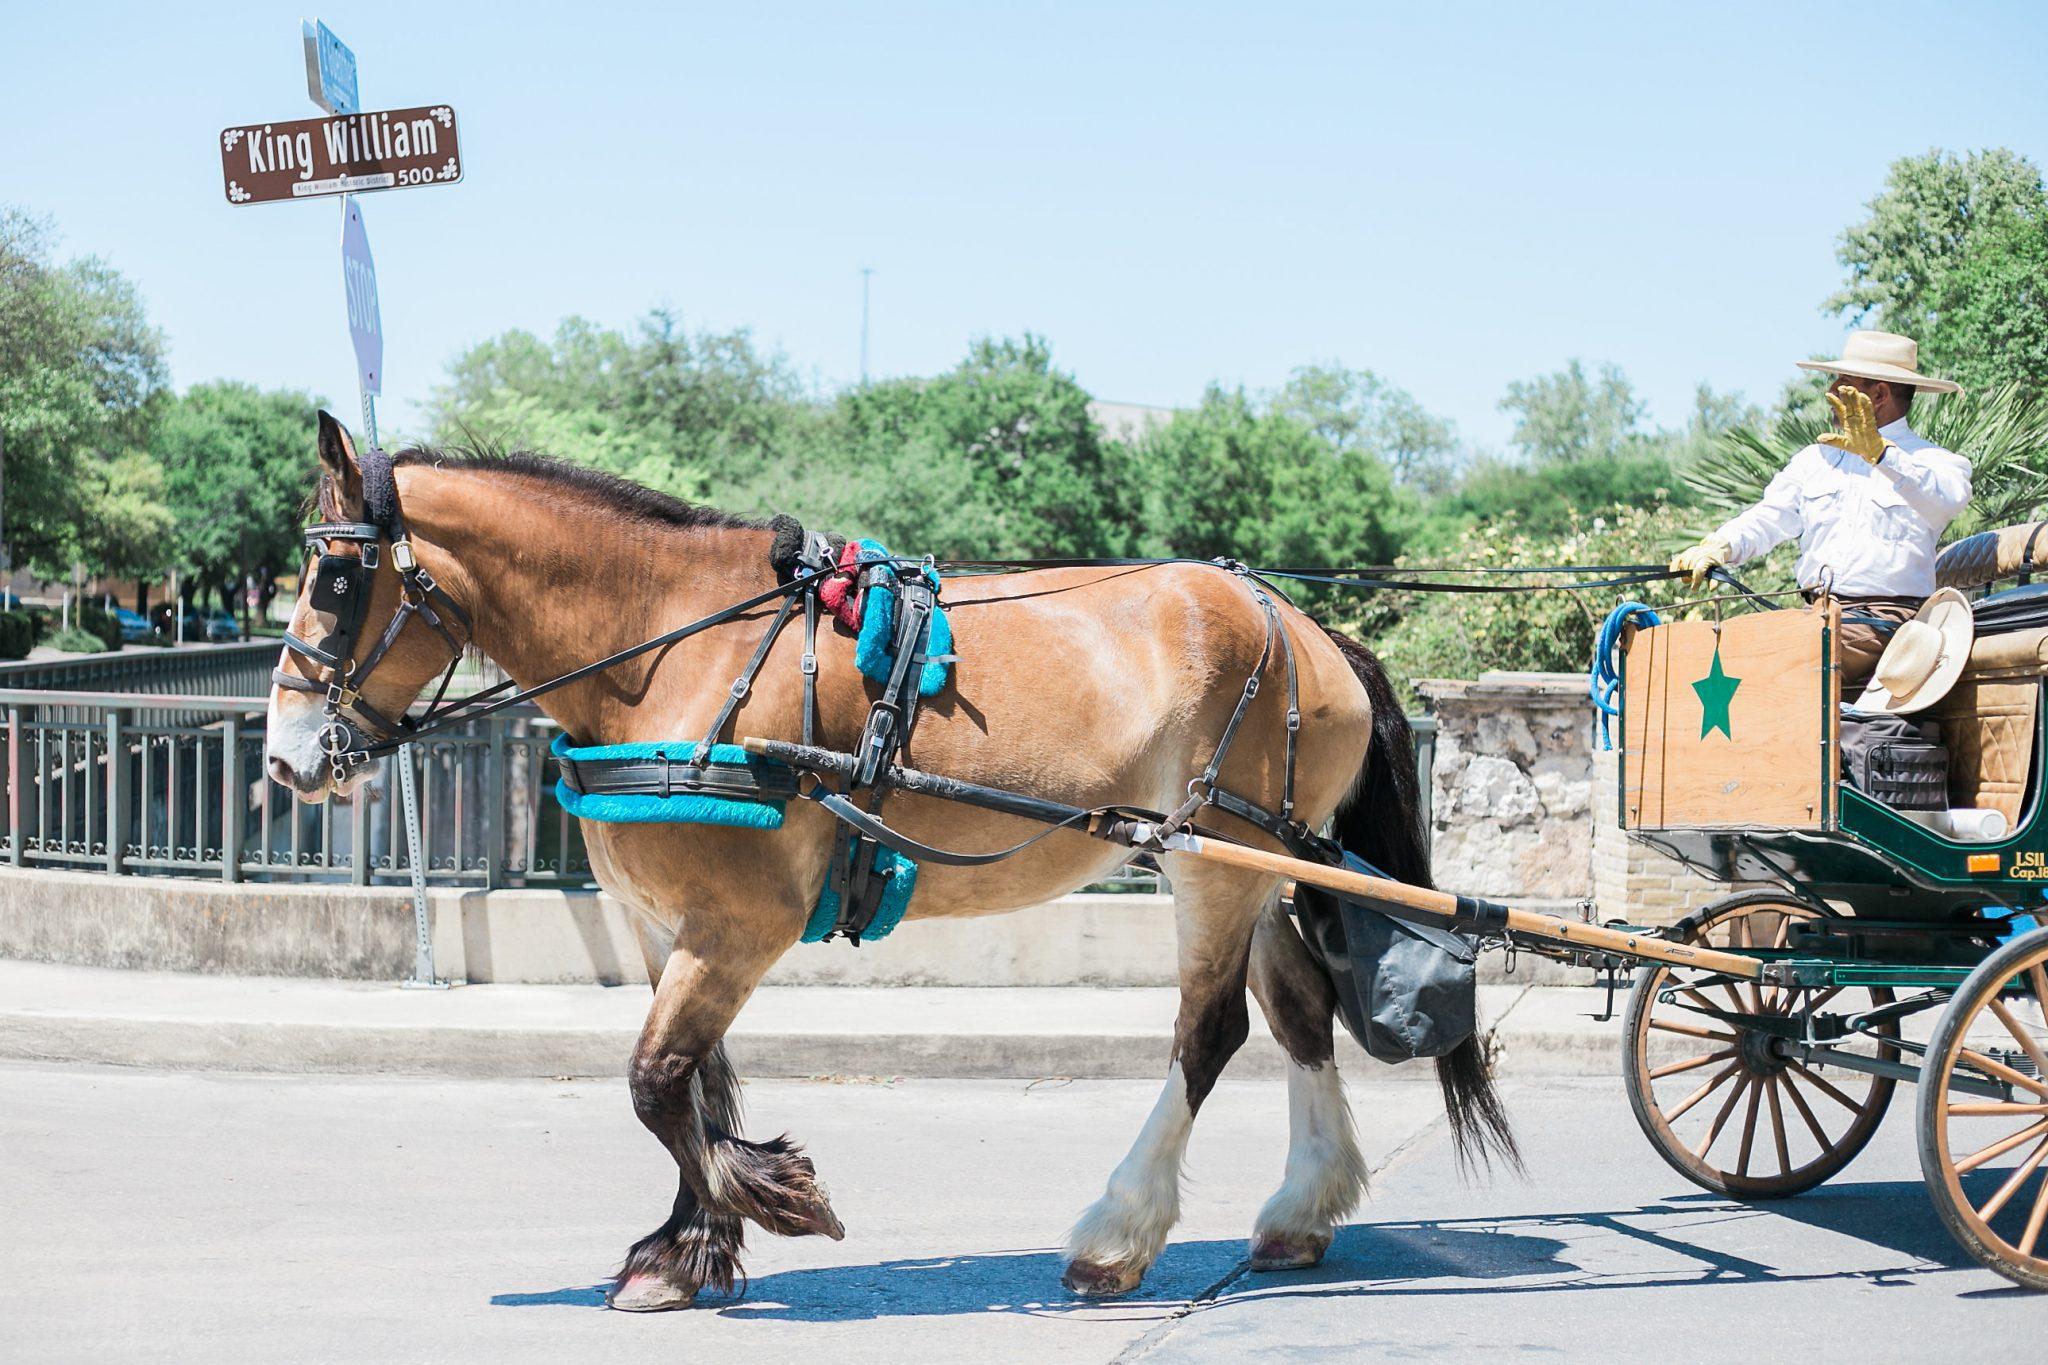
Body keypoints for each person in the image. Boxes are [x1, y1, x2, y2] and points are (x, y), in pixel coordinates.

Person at [1670, 330, 1970, 690]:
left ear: (1879, 395)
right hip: (1817, 616)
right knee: (1731, 655)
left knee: (1786, 663)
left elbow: (1946, 501)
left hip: (1887, 622)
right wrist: (1719, 545)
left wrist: (1882, 456)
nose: (1830, 394)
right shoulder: (1815, 459)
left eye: (1843, 383)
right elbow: (1770, 517)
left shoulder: (1936, 462)